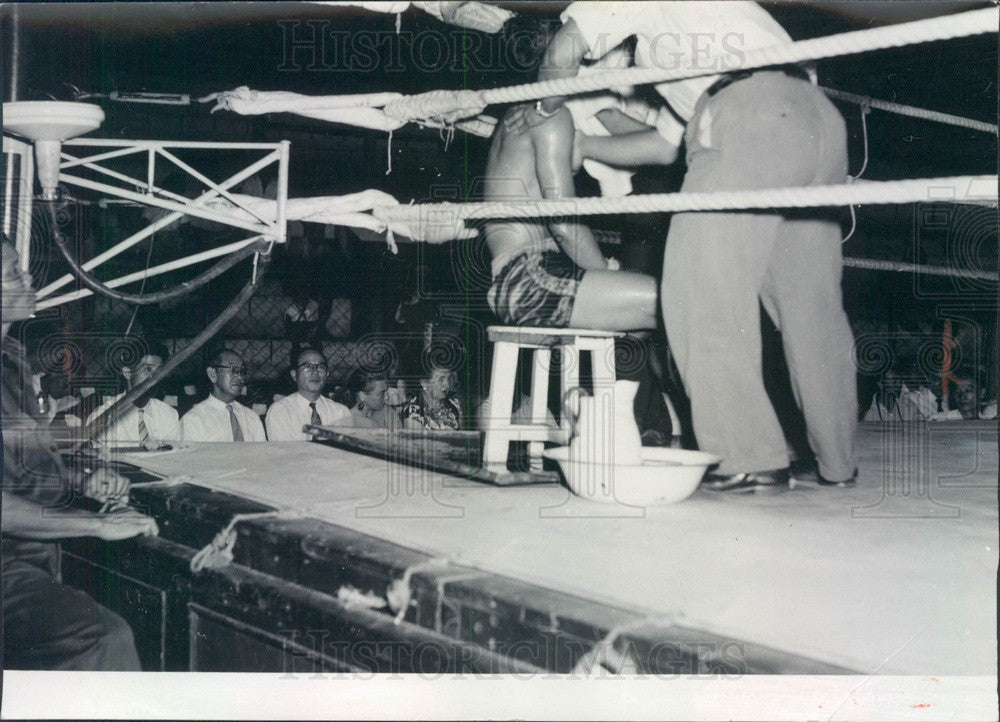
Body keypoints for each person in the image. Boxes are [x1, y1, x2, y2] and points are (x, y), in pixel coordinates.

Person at [517, 1, 858, 492]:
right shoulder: (704, 21)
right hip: (816, 119)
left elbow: (564, 48)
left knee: (696, 292)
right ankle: (837, 462)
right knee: (810, 305)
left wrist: (540, 108)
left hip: (745, 114)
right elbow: (664, 145)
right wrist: (586, 147)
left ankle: (749, 454)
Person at [2, 236, 159, 670]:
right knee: (105, 639)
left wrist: (82, 479)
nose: (28, 278)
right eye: (14, 271)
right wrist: (97, 524)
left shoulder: (11, 357)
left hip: (32, 554)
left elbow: (27, 461)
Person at [484, 99, 659, 331]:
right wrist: (609, 270)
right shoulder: (553, 117)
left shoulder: (521, 115)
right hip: (530, 279)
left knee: (656, 315)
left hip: (522, 277)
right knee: (675, 301)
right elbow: (565, 227)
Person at [86, 340, 181, 447]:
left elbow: (175, 458)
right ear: (127, 372)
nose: (155, 378)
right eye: (148, 369)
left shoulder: (168, 415)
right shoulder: (102, 417)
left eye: (159, 371)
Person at [181, 348, 266, 442]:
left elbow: (263, 455)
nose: (240, 377)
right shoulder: (194, 420)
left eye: (242, 371)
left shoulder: (251, 417)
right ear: (212, 374)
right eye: (233, 369)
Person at [265, 347, 351, 440]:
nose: (315, 372)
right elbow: (284, 452)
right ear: (294, 374)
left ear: (327, 374)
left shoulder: (340, 412)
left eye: (321, 367)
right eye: (307, 367)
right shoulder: (281, 411)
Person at [402, 365, 462, 431]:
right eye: (441, 379)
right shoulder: (412, 414)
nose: (447, 384)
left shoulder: (454, 405)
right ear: (425, 383)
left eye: (449, 379)